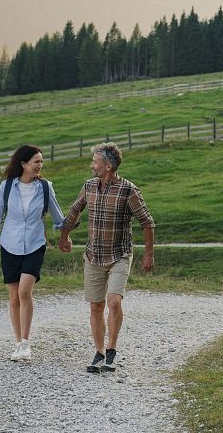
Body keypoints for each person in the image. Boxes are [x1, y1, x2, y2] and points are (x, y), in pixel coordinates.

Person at [58, 142, 155, 374]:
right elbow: (74, 211)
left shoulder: (128, 190)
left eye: (95, 162)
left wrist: (148, 255)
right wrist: (64, 237)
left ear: (108, 166)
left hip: (119, 254)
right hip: (93, 255)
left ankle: (112, 350)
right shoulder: (89, 186)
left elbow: (147, 222)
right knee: (95, 306)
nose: (92, 165)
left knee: (113, 301)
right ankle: (99, 352)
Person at [0, 144, 66, 361]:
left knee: (24, 292)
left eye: (41, 161)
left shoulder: (46, 187)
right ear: (23, 164)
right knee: (13, 297)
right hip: (9, 244)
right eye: (36, 161)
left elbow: (58, 217)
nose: (40, 165)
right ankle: (18, 342)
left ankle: (26, 343)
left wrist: (65, 235)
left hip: (35, 244)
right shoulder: (7, 186)